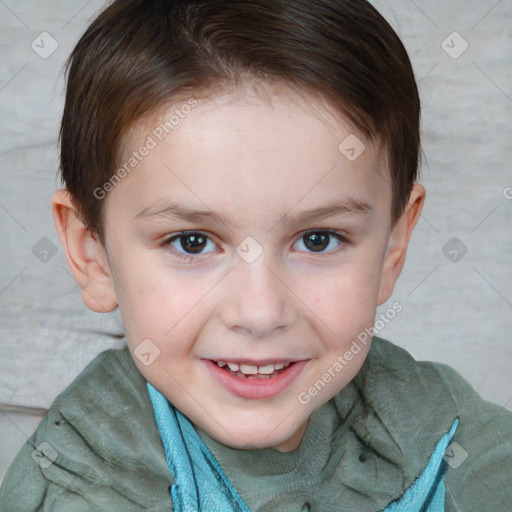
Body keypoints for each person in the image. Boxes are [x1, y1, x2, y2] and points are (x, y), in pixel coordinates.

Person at [1, 0, 511, 510]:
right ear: (93, 254)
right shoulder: (78, 482)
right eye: (192, 242)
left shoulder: (439, 429)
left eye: (318, 239)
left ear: (392, 246)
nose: (260, 312)